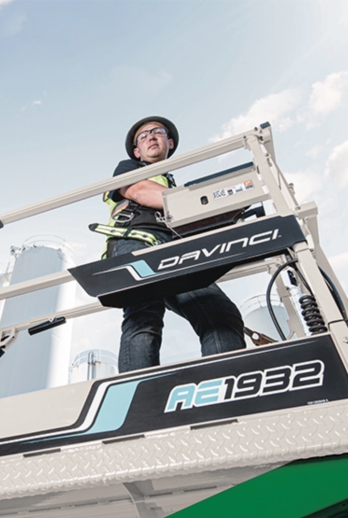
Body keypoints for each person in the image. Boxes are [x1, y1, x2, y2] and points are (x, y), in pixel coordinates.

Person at [98, 116, 245, 373]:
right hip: (135, 240)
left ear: (170, 142)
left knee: (219, 314)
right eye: (143, 136)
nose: (151, 137)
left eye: (157, 132)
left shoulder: (172, 183)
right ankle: (140, 395)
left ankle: (224, 383)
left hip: (174, 248)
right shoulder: (127, 168)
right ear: (137, 151)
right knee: (144, 316)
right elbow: (141, 192)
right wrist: (206, 201)